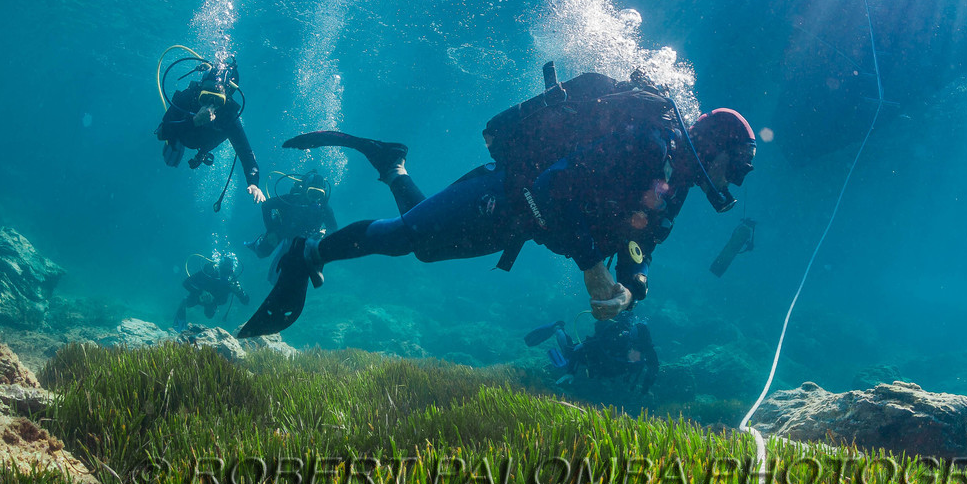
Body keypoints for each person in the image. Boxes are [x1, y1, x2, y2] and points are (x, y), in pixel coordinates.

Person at [239, 67, 756, 338]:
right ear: (712, 147)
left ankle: (393, 165)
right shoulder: (645, 146)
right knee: (403, 239)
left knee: (424, 248)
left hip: (522, 223)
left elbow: (642, 242)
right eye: (734, 165)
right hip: (506, 191)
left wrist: (631, 289)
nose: (731, 180)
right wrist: (593, 270)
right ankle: (309, 253)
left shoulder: (676, 183)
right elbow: (556, 185)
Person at [154, 61, 266, 204]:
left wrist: (253, 183)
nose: (210, 104)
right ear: (199, 91)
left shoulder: (228, 114)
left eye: (218, 100)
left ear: (225, 98)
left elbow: (245, 152)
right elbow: (161, 133)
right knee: (172, 142)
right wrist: (193, 121)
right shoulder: (188, 98)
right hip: (182, 136)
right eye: (205, 98)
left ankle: (201, 154)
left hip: (203, 145)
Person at [526, 310, 659, 395]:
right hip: (590, 354)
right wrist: (570, 373)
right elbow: (581, 349)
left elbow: (654, 367)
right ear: (630, 345)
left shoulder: (646, 349)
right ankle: (558, 328)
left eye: (642, 352)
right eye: (637, 351)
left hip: (607, 366)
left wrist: (646, 388)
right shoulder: (615, 342)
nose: (639, 356)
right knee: (569, 353)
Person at [245, 171, 339, 258]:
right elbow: (266, 205)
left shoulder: (324, 208)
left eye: (319, 195)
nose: (314, 199)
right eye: (312, 193)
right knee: (262, 253)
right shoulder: (292, 199)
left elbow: (333, 228)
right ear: (305, 190)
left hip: (306, 237)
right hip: (282, 229)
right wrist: (271, 230)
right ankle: (256, 243)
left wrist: (324, 234)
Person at [174, 253, 249, 329]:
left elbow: (246, 301)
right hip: (199, 297)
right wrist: (201, 292)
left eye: (228, 272)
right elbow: (186, 283)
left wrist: (239, 291)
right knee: (186, 302)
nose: (225, 275)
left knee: (209, 315)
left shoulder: (232, 280)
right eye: (224, 270)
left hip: (214, 301)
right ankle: (179, 325)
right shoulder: (209, 271)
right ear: (219, 267)